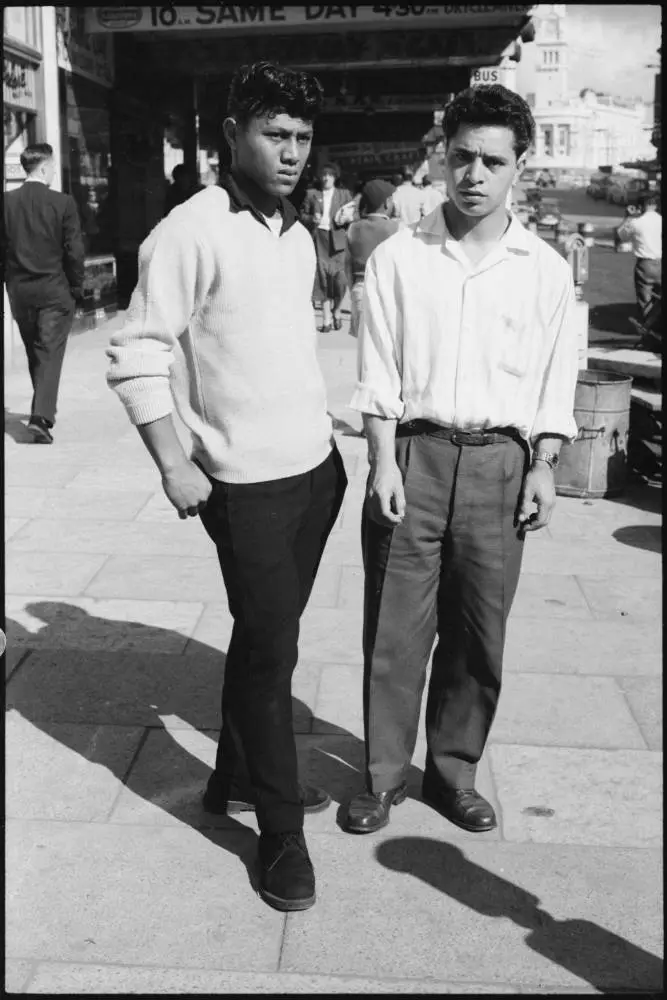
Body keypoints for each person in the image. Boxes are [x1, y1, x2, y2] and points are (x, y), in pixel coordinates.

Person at [107, 61, 347, 912]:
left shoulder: (294, 227)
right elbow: (136, 349)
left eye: (302, 138)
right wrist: (173, 459)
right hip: (243, 488)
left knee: (258, 639)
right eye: (274, 135)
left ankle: (233, 779)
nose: (291, 153)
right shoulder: (190, 229)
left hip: (318, 473)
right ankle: (278, 831)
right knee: (272, 654)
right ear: (232, 136)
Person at [342, 84, 579, 836]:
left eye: (491, 161)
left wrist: (544, 464)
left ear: (518, 167)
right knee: (393, 631)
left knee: (478, 633)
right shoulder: (399, 260)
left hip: (499, 467)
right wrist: (380, 462)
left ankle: (452, 773)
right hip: (412, 455)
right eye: (461, 158)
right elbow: (378, 369)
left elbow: (555, 373)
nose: (473, 174)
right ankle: (381, 778)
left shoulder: (542, 268)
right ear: (443, 160)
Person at [4, 142, 85, 444]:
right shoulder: (62, 203)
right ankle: (41, 417)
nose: (52, 172)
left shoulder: (7, 202)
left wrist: (8, 281)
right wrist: (76, 287)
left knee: (35, 351)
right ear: (43, 167)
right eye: (51, 167)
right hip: (54, 289)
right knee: (49, 351)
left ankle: (42, 408)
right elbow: (74, 251)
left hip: (20, 291)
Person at [300, 162, 353, 331]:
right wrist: (310, 219)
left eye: (329, 175)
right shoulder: (312, 194)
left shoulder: (344, 194)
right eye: (323, 175)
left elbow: (354, 213)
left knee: (339, 281)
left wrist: (347, 219)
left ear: (335, 177)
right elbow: (302, 214)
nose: (326, 178)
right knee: (322, 279)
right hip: (320, 240)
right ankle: (326, 320)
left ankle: (337, 311)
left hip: (338, 240)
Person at [344, 178, 399, 339]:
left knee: (364, 345)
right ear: (387, 203)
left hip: (360, 288)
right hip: (388, 290)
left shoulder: (353, 228)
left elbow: (347, 266)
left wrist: (353, 290)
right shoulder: (397, 228)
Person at [616, 193, 662, 324]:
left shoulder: (636, 223)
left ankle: (648, 327)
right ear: (655, 205)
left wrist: (628, 216)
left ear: (640, 207)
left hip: (645, 265)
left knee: (645, 300)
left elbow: (621, 235)